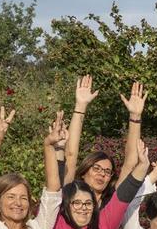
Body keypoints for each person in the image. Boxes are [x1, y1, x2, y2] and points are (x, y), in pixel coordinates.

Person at [62, 75, 146, 208]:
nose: (102, 174)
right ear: (84, 172)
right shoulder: (69, 193)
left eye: (107, 172)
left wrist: (135, 116)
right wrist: (80, 106)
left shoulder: (112, 201)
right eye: (96, 168)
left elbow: (130, 164)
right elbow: (70, 156)